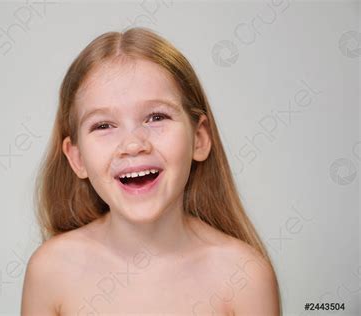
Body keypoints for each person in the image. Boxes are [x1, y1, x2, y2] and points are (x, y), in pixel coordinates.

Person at [21, 27, 281, 315]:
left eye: (156, 117)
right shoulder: (51, 271)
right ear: (77, 158)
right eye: (104, 125)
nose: (133, 144)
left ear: (200, 138)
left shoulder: (244, 277)